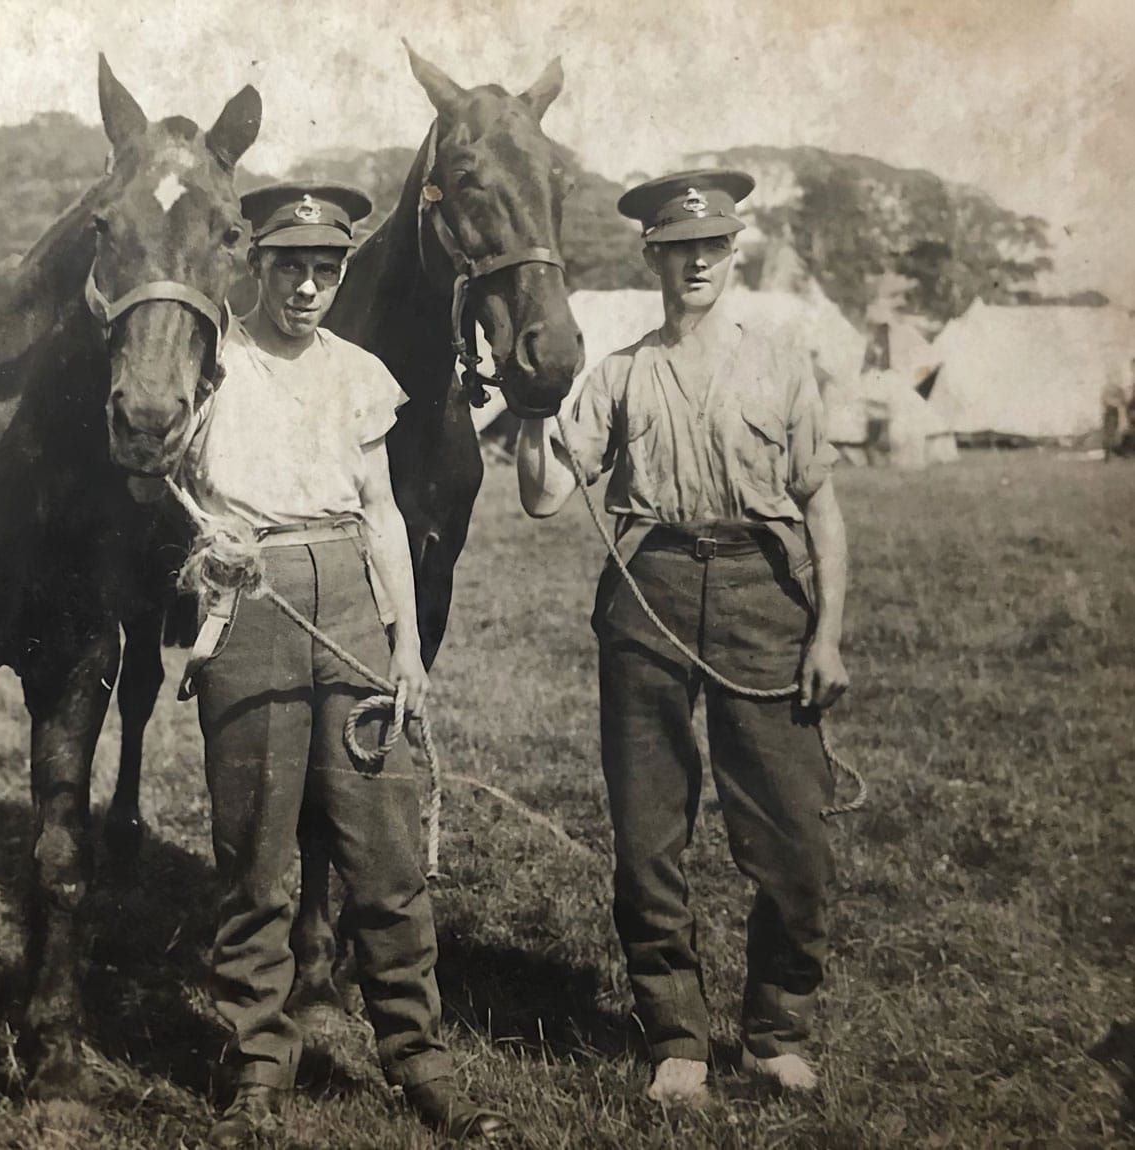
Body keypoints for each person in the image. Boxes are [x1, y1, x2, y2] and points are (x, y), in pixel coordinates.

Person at [177, 182, 507, 1145]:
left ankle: (420, 1061)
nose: (308, 288)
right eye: (290, 267)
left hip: (350, 598)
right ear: (258, 267)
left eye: (326, 269)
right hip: (250, 601)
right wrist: (211, 543)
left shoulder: (361, 373)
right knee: (256, 855)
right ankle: (259, 1067)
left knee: (385, 848)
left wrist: (405, 641)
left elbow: (383, 512)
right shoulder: (211, 366)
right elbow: (168, 483)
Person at [514, 170, 851, 1106]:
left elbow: (822, 507)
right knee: (648, 835)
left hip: (762, 592)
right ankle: (679, 1039)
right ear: (652, 256)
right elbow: (545, 497)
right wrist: (532, 405)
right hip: (647, 585)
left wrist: (827, 636)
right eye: (677, 248)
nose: (695, 262)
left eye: (711, 247)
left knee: (793, 840)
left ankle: (775, 1031)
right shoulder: (619, 372)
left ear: (732, 253)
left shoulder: (781, 365)